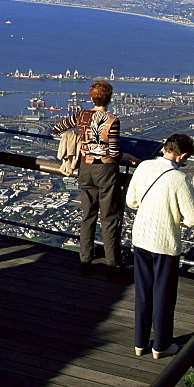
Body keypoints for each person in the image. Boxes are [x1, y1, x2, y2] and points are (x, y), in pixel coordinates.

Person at [126, 134, 194, 359]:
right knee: (164, 295)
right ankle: (161, 345)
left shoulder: (143, 167)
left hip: (141, 238)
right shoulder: (178, 179)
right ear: (183, 155)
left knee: (143, 292)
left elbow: (131, 201)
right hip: (165, 242)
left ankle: (140, 343)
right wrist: (176, 216)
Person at [52, 80, 131, 276]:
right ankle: (112, 263)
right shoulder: (112, 121)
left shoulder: (81, 115)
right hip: (105, 170)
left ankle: (85, 259)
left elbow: (57, 129)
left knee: (88, 216)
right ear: (110, 99)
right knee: (109, 218)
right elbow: (113, 153)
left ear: (91, 97)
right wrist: (131, 158)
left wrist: (77, 139)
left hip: (85, 168)